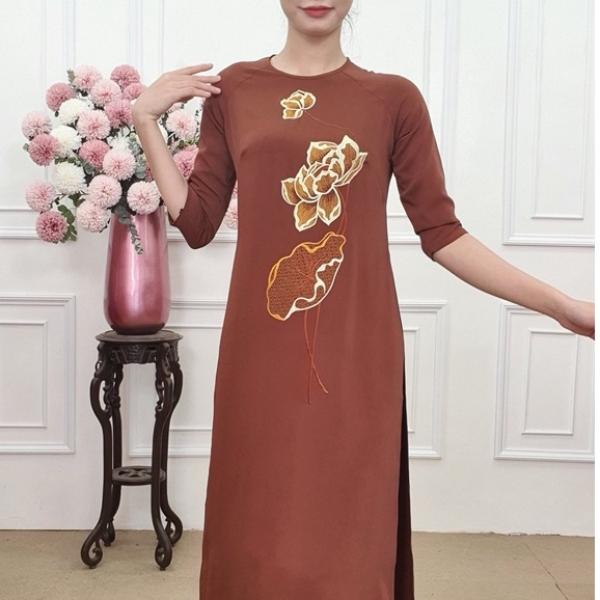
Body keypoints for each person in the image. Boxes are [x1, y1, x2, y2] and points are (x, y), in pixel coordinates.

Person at [132, 1, 595, 598]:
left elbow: (443, 234)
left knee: (347, 532)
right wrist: (145, 120)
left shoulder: (393, 99)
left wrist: (560, 306)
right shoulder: (235, 91)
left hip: (356, 351)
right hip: (260, 352)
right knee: (256, 522)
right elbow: (197, 223)